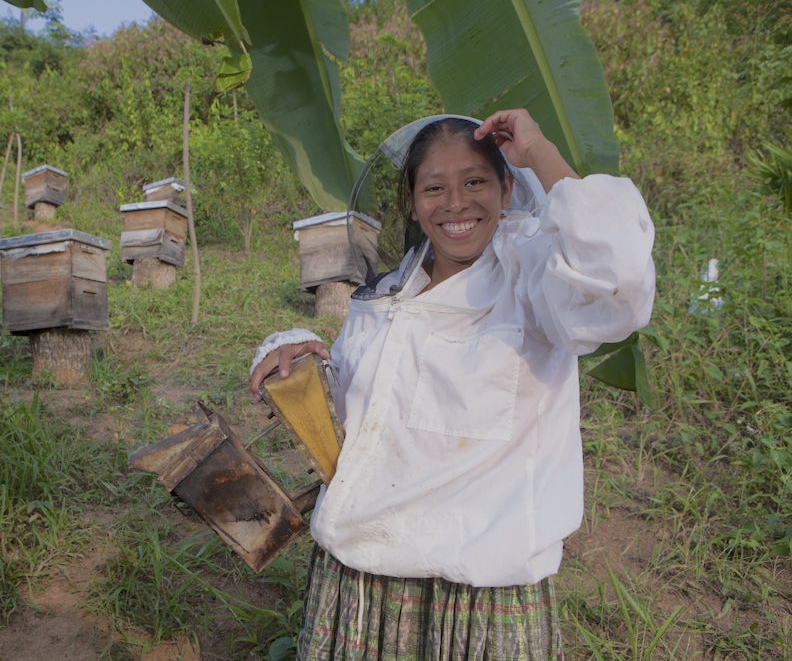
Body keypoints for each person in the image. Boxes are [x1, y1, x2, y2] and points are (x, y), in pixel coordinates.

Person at [248, 109, 656, 660]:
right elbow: (362, 404)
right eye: (434, 188)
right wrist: (299, 351)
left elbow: (617, 280)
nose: (456, 203)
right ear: (413, 204)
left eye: (475, 182)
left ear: (507, 188)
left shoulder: (534, 281)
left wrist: (540, 153)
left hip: (478, 596)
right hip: (361, 577)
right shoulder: (391, 290)